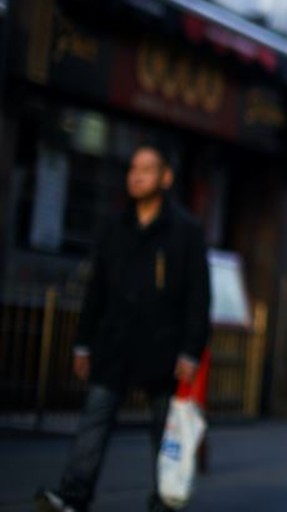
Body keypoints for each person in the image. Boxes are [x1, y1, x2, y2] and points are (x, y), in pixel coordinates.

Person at [36, 144, 210, 512]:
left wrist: (191, 351)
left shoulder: (186, 232)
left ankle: (164, 499)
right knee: (93, 421)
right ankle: (73, 496)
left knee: (164, 432)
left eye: (147, 168)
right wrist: (83, 343)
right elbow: (96, 289)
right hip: (114, 343)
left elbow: (199, 298)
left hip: (165, 349)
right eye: (133, 168)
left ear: (165, 177)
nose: (137, 175)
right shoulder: (116, 226)